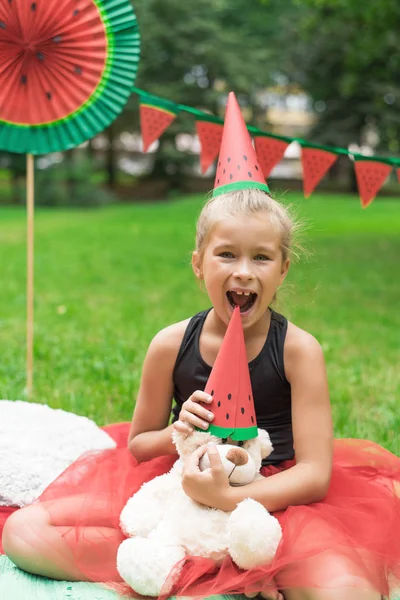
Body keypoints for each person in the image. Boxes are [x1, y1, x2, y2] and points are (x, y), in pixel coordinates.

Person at [3, 94, 400, 600]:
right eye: (226, 254)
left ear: (283, 269)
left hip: (274, 500)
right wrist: (177, 433)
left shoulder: (299, 350)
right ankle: (203, 564)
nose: (242, 271)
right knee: (24, 533)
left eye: (261, 257)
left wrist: (235, 499)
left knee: (348, 591)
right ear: (198, 264)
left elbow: (316, 475)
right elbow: (139, 444)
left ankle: (247, 561)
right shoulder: (171, 344)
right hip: (175, 489)